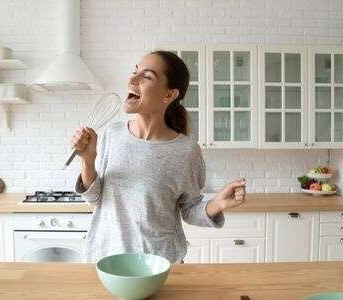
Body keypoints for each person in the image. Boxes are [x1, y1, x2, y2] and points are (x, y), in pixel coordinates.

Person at [72, 50, 246, 263]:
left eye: (146, 76)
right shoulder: (111, 134)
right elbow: (95, 199)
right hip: (107, 259)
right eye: (135, 72)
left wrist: (216, 204)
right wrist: (87, 161)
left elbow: (190, 210)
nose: (132, 79)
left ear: (169, 95)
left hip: (161, 265)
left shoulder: (186, 151)